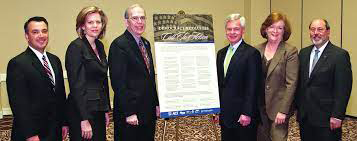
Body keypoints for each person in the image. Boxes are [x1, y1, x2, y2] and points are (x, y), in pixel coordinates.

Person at [6, 16, 68, 141]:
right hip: (33, 134)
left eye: (44, 31)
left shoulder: (55, 60)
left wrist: (64, 122)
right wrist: (30, 134)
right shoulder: (17, 63)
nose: (41, 35)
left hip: (55, 130)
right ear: (27, 36)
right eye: (35, 32)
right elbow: (19, 104)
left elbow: (60, 95)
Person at [108, 4, 160, 141]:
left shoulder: (146, 43)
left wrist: (156, 103)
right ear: (126, 22)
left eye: (142, 18)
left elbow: (150, 78)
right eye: (135, 18)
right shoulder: (119, 45)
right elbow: (118, 83)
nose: (140, 22)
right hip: (131, 114)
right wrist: (129, 112)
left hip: (147, 112)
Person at [295, 19, 352, 141]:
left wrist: (337, 115)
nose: (316, 33)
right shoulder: (303, 53)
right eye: (312, 29)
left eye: (320, 29)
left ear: (328, 32)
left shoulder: (339, 55)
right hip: (306, 117)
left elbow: (343, 89)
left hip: (327, 119)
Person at [65, 6, 111, 141]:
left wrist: (105, 110)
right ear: (82, 26)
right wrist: (83, 119)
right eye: (90, 22)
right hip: (83, 112)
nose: (95, 26)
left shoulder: (100, 45)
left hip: (98, 109)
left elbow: (102, 80)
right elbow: (76, 86)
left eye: (98, 22)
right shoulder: (75, 47)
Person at [215, 13, 262, 141]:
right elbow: (220, 84)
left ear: (243, 31)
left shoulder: (252, 53)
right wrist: (217, 110)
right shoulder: (221, 53)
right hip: (225, 114)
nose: (232, 32)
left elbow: (252, 87)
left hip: (243, 116)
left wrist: (247, 112)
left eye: (236, 29)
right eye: (229, 29)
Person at [255, 12, 299, 141]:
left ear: (284, 31)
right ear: (266, 29)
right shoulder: (257, 50)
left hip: (278, 109)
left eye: (280, 28)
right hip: (259, 107)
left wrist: (284, 110)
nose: (275, 31)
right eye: (272, 27)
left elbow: (292, 83)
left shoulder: (290, 51)